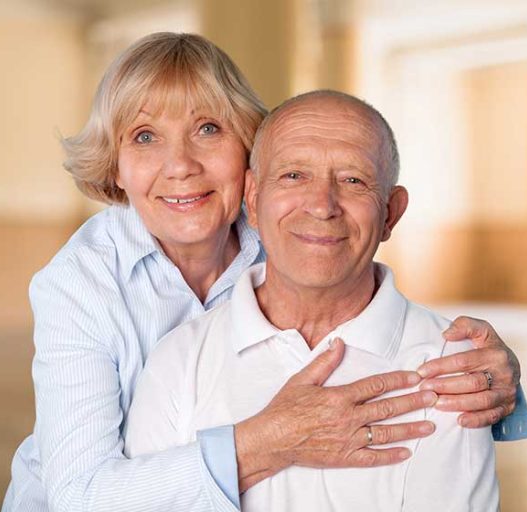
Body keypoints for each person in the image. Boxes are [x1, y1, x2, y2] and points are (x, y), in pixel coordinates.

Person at [3, 33, 527, 512]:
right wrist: (270, 440)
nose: (180, 164)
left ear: (247, 154)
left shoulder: (284, 231)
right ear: (115, 166)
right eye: (144, 136)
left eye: (208, 128)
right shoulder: (80, 283)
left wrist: (490, 376)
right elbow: (79, 495)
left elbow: (377, 311)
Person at [124, 90, 501, 511]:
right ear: (252, 196)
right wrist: (269, 442)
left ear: (391, 213)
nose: (322, 206)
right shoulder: (179, 358)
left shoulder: (452, 365)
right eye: (293, 176)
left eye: (353, 180)